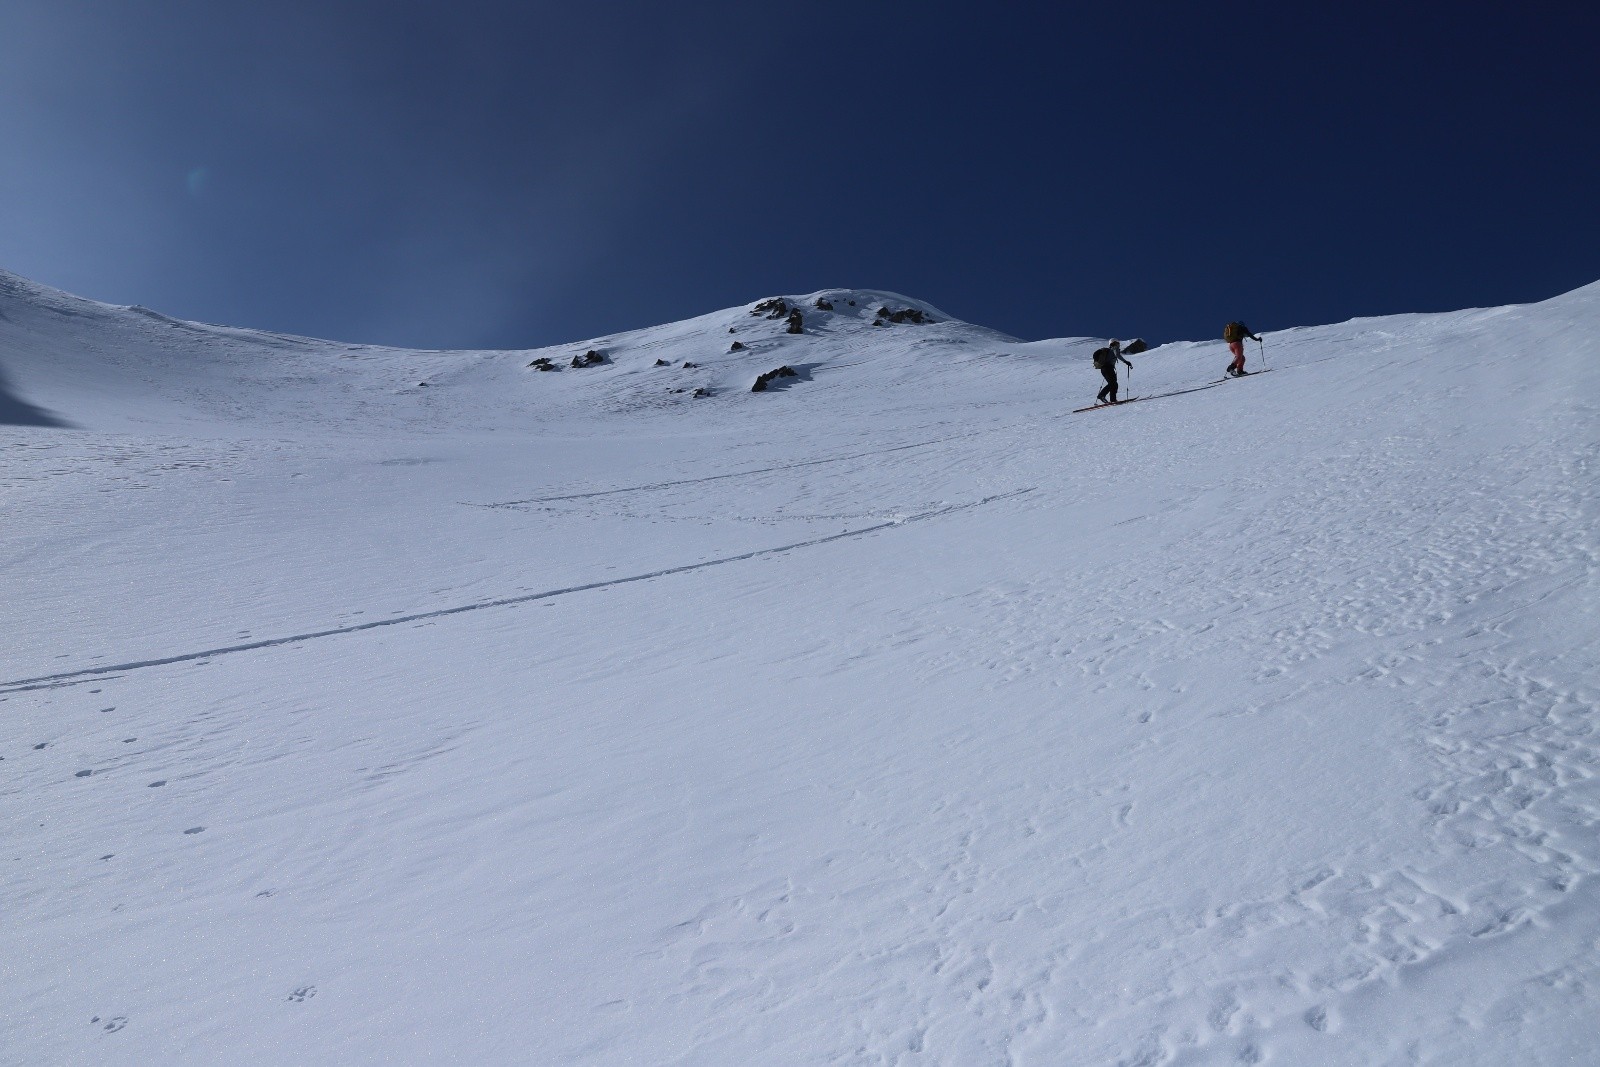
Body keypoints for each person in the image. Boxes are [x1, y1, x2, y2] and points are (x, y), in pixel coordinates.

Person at [1093, 339, 1133, 404]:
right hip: (1107, 368)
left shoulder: (1110, 350)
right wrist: (1126, 362)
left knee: (1114, 384)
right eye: (1117, 342)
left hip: (1106, 369)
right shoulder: (1114, 348)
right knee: (1112, 383)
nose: (1118, 344)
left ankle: (1113, 399)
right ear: (1114, 343)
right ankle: (1101, 395)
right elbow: (1117, 355)